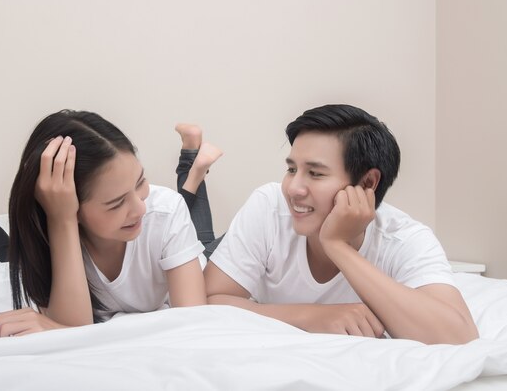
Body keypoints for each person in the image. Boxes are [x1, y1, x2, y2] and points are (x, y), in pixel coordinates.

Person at [0, 110, 223, 337]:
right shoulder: (55, 226)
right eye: (116, 203)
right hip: (61, 224)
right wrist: (61, 219)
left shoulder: (166, 212)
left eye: (141, 181)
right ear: (70, 206)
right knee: (5, 253)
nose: (139, 207)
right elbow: (74, 328)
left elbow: (191, 325)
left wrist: (52, 326)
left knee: (5, 252)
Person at [204, 104, 479, 345]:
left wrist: (337, 245)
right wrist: (313, 316)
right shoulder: (269, 205)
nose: (293, 188)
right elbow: (207, 301)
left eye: (315, 173)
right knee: (200, 245)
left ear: (368, 183)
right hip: (225, 246)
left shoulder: (404, 238)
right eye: (291, 169)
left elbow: (459, 337)